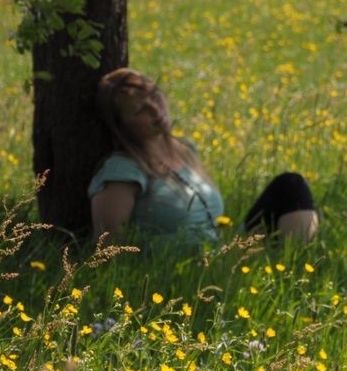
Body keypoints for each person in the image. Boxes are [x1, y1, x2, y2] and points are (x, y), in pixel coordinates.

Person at [88, 68, 319, 244]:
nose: (156, 111)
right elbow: (109, 252)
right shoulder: (122, 171)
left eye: (155, 97)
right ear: (122, 125)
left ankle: (295, 265)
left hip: (218, 254)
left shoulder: (185, 150)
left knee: (291, 186)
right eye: (140, 110)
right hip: (179, 274)